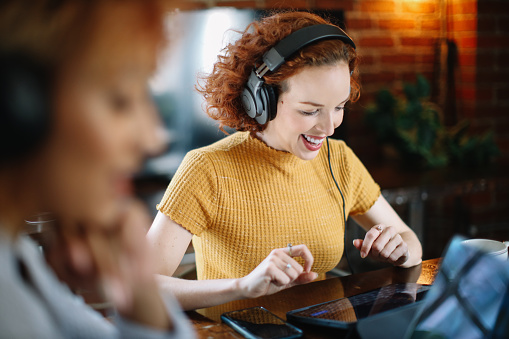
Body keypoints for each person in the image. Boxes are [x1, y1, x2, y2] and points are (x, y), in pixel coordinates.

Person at [147, 11, 423, 311]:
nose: (329, 128)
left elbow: (410, 239)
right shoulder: (207, 169)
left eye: (339, 107)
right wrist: (242, 286)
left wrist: (401, 250)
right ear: (261, 99)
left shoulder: (339, 159)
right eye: (310, 111)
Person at [0, 0, 194, 337]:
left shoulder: (17, 256)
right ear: (18, 104)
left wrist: (138, 291)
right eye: (120, 100)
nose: (152, 140)